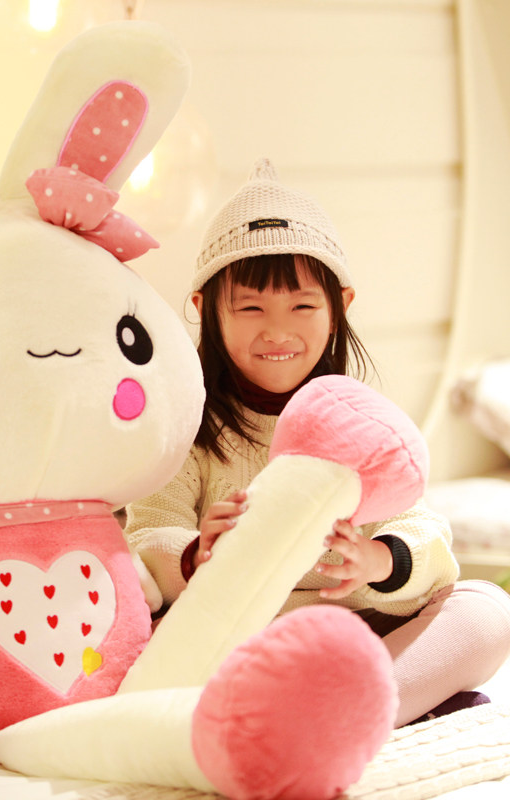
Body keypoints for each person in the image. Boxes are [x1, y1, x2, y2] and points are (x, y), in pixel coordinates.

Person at [125, 158, 510, 727]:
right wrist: (196, 554)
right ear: (207, 311)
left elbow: (423, 531)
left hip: (358, 632)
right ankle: (359, 712)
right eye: (250, 307)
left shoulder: (359, 421)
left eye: (302, 306)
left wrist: (380, 560)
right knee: (148, 643)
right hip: (247, 641)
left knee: (486, 612)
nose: (277, 330)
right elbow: (145, 537)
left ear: (338, 309)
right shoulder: (189, 429)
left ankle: (347, 712)